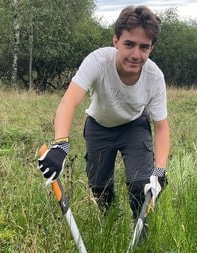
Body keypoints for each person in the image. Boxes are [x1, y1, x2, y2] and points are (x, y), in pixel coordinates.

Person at [38, 5, 169, 229]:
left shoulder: (154, 77)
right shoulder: (98, 61)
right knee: (100, 187)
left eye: (144, 47)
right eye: (129, 44)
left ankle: (140, 229)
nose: (136, 55)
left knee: (141, 184)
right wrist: (60, 145)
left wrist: (160, 170)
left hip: (134, 126)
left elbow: (161, 127)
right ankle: (109, 224)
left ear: (151, 49)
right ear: (116, 41)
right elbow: (69, 102)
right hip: (99, 126)